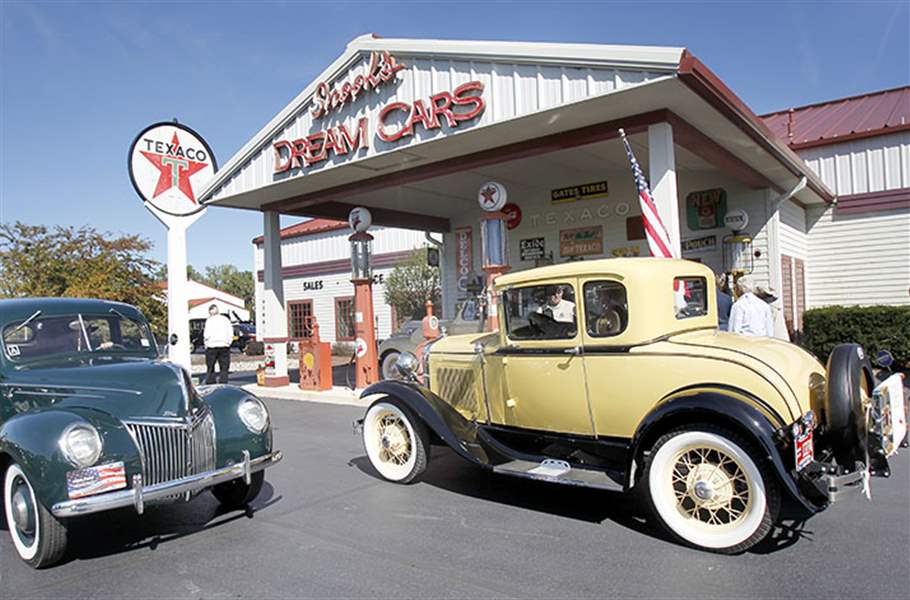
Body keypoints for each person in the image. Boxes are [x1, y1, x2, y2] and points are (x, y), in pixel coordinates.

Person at [203, 304, 234, 384]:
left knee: (210, 367)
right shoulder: (225, 319)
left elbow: (206, 334)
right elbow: (231, 332)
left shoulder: (209, 320)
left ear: (210, 312)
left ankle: (210, 382)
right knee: (224, 367)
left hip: (211, 345)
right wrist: (229, 342)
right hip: (224, 345)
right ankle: (223, 383)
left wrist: (206, 343)